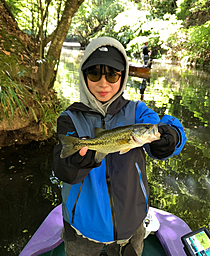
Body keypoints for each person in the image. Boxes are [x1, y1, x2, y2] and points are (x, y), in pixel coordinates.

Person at [52, 36, 186, 256]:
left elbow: (163, 128)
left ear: (122, 76)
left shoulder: (137, 111)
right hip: (82, 229)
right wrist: (74, 164)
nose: (103, 83)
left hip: (131, 227)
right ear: (84, 75)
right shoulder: (69, 118)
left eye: (112, 74)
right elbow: (63, 167)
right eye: (94, 73)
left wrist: (170, 137)